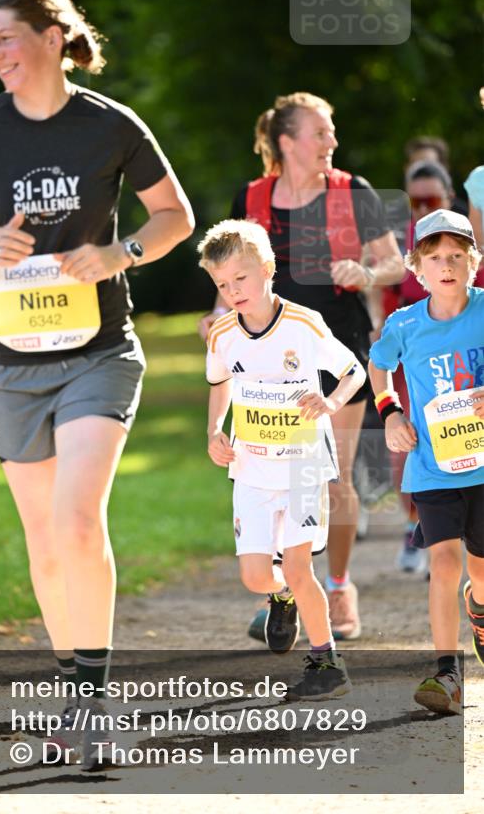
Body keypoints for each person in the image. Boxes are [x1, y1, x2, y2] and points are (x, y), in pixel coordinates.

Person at [0, 0, 194, 769]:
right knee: (45, 543)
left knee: (79, 523)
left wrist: (121, 251)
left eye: (6, 38)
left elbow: (174, 216)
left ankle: (94, 707)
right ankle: (69, 690)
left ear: (52, 36)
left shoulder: (109, 124)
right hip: (6, 363)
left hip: (97, 353)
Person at [200, 92, 404, 641]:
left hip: (333, 347)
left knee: (330, 476)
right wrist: (216, 316)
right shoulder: (252, 196)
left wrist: (366, 271)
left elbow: (393, 262)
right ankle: (287, 588)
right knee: (268, 468)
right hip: (265, 358)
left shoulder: (352, 192)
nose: (331, 143)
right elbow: (233, 272)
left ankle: (335, 584)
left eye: (331, 132)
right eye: (321, 133)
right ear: (287, 142)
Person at [199, 219, 365, 699]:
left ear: (267, 269)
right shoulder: (222, 334)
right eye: (222, 284)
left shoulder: (304, 324)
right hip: (250, 465)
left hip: (303, 463)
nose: (233, 291)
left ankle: (326, 662)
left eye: (241, 279)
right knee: (255, 575)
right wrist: (214, 430)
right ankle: (283, 597)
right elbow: (220, 383)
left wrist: (331, 403)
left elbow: (352, 371)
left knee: (298, 565)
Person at [369, 209, 484, 715]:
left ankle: (478, 607)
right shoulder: (405, 324)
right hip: (433, 466)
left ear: (473, 262)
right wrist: (391, 413)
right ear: (417, 267)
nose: (447, 266)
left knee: (480, 573)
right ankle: (446, 671)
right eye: (435, 258)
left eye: (457, 256)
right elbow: (379, 366)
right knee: (442, 562)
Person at [380, 160, 457, 573]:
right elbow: (388, 298)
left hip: (462, 353)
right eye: (418, 200)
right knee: (410, 443)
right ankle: (418, 528)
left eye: (433, 199)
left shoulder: (465, 241)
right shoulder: (404, 246)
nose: (426, 207)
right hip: (415, 352)